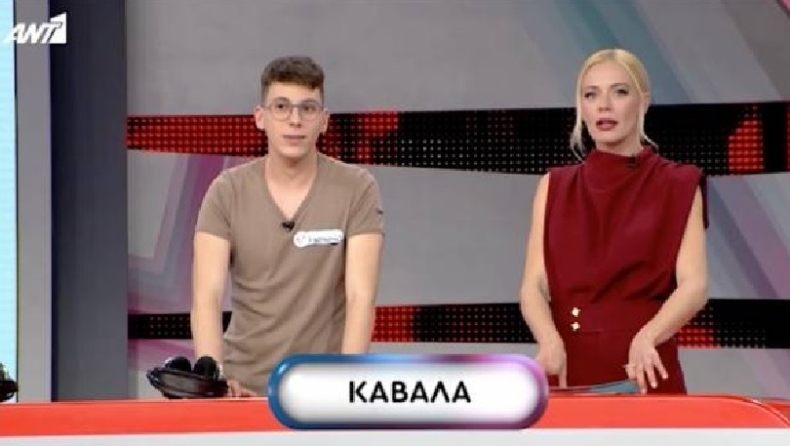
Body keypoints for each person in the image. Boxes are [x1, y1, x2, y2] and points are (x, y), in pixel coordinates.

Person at [190, 56, 385, 397]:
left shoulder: (357, 188)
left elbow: (361, 297)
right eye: (281, 107)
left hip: (322, 392)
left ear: (324, 121)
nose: (295, 120)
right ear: (260, 117)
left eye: (307, 109)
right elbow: (206, 297)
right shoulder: (226, 191)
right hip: (242, 390)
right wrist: (215, 381)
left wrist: (348, 384)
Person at [518, 48, 709, 394]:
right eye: (591, 95)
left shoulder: (678, 184)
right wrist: (548, 340)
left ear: (643, 102)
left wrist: (649, 336)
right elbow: (533, 285)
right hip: (568, 367)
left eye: (619, 92)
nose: (603, 106)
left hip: (645, 369)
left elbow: (694, 285)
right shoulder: (555, 186)